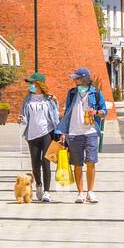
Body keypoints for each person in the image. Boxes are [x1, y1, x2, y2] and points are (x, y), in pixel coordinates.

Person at [57, 66, 107, 204]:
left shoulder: (96, 93)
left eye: (77, 79)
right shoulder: (72, 93)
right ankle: (80, 193)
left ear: (84, 79)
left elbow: (104, 111)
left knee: (91, 162)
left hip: (90, 132)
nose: (75, 81)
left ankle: (90, 192)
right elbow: (67, 112)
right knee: (77, 164)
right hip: (74, 133)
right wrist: (62, 132)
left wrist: (95, 112)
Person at [20, 72, 61, 204]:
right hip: (32, 135)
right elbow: (25, 116)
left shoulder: (49, 99)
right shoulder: (27, 100)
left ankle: (47, 192)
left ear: (39, 84)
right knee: (35, 164)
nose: (30, 85)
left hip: (47, 133)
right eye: (30, 83)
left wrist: (56, 101)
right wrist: (21, 119)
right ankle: (38, 185)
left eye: (32, 83)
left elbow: (55, 115)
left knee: (46, 161)